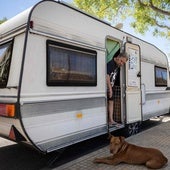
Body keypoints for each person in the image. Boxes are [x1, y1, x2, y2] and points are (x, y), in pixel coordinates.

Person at [107, 51, 128, 126]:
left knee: (111, 102)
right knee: (108, 102)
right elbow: (107, 76)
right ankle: (109, 120)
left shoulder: (117, 66)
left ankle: (111, 120)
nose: (122, 64)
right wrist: (110, 88)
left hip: (111, 87)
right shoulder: (111, 63)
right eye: (121, 61)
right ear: (118, 57)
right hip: (107, 87)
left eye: (123, 63)